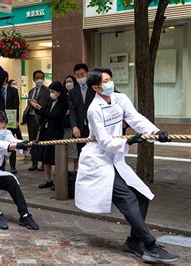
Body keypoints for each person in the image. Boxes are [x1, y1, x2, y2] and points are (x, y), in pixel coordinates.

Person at [75, 69, 179, 264]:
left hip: (115, 160)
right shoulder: (93, 110)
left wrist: (157, 132)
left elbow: (135, 118)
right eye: (105, 81)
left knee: (143, 196)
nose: (110, 83)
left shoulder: (120, 99)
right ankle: (150, 244)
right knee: (128, 198)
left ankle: (134, 241)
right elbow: (104, 141)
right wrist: (129, 141)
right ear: (96, 87)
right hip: (98, 162)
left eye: (110, 79)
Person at [31, 82, 69, 190]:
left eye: (53, 92)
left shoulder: (64, 103)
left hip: (56, 132)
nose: (51, 94)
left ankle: (58, 180)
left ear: (59, 92)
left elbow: (54, 116)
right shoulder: (49, 100)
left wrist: (40, 108)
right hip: (45, 130)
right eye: (50, 91)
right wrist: (36, 107)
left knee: (56, 158)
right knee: (46, 157)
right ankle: (48, 179)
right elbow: (44, 113)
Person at [22, 70, 49, 171]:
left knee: (42, 141)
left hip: (41, 118)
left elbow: (47, 105)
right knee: (32, 141)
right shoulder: (31, 91)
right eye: (37, 78)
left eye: (41, 78)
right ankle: (34, 162)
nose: (39, 80)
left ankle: (43, 163)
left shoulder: (47, 91)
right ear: (33, 79)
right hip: (31, 118)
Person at [69, 63, 95, 156]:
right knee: (82, 153)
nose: (80, 77)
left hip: (94, 126)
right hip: (80, 129)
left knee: (95, 153)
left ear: (87, 74)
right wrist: (74, 126)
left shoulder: (95, 88)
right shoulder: (73, 92)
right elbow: (72, 111)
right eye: (77, 75)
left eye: (82, 75)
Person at [4, 79, 22, 174]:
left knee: (11, 141)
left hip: (11, 119)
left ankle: (12, 166)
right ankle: (1, 164)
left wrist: (16, 120)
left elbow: (16, 105)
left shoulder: (13, 90)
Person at [63, 75, 79, 171]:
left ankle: (76, 169)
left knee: (75, 150)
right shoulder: (63, 96)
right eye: (66, 82)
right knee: (65, 150)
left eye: (70, 81)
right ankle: (65, 171)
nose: (68, 83)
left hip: (75, 126)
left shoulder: (77, 94)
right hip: (64, 126)